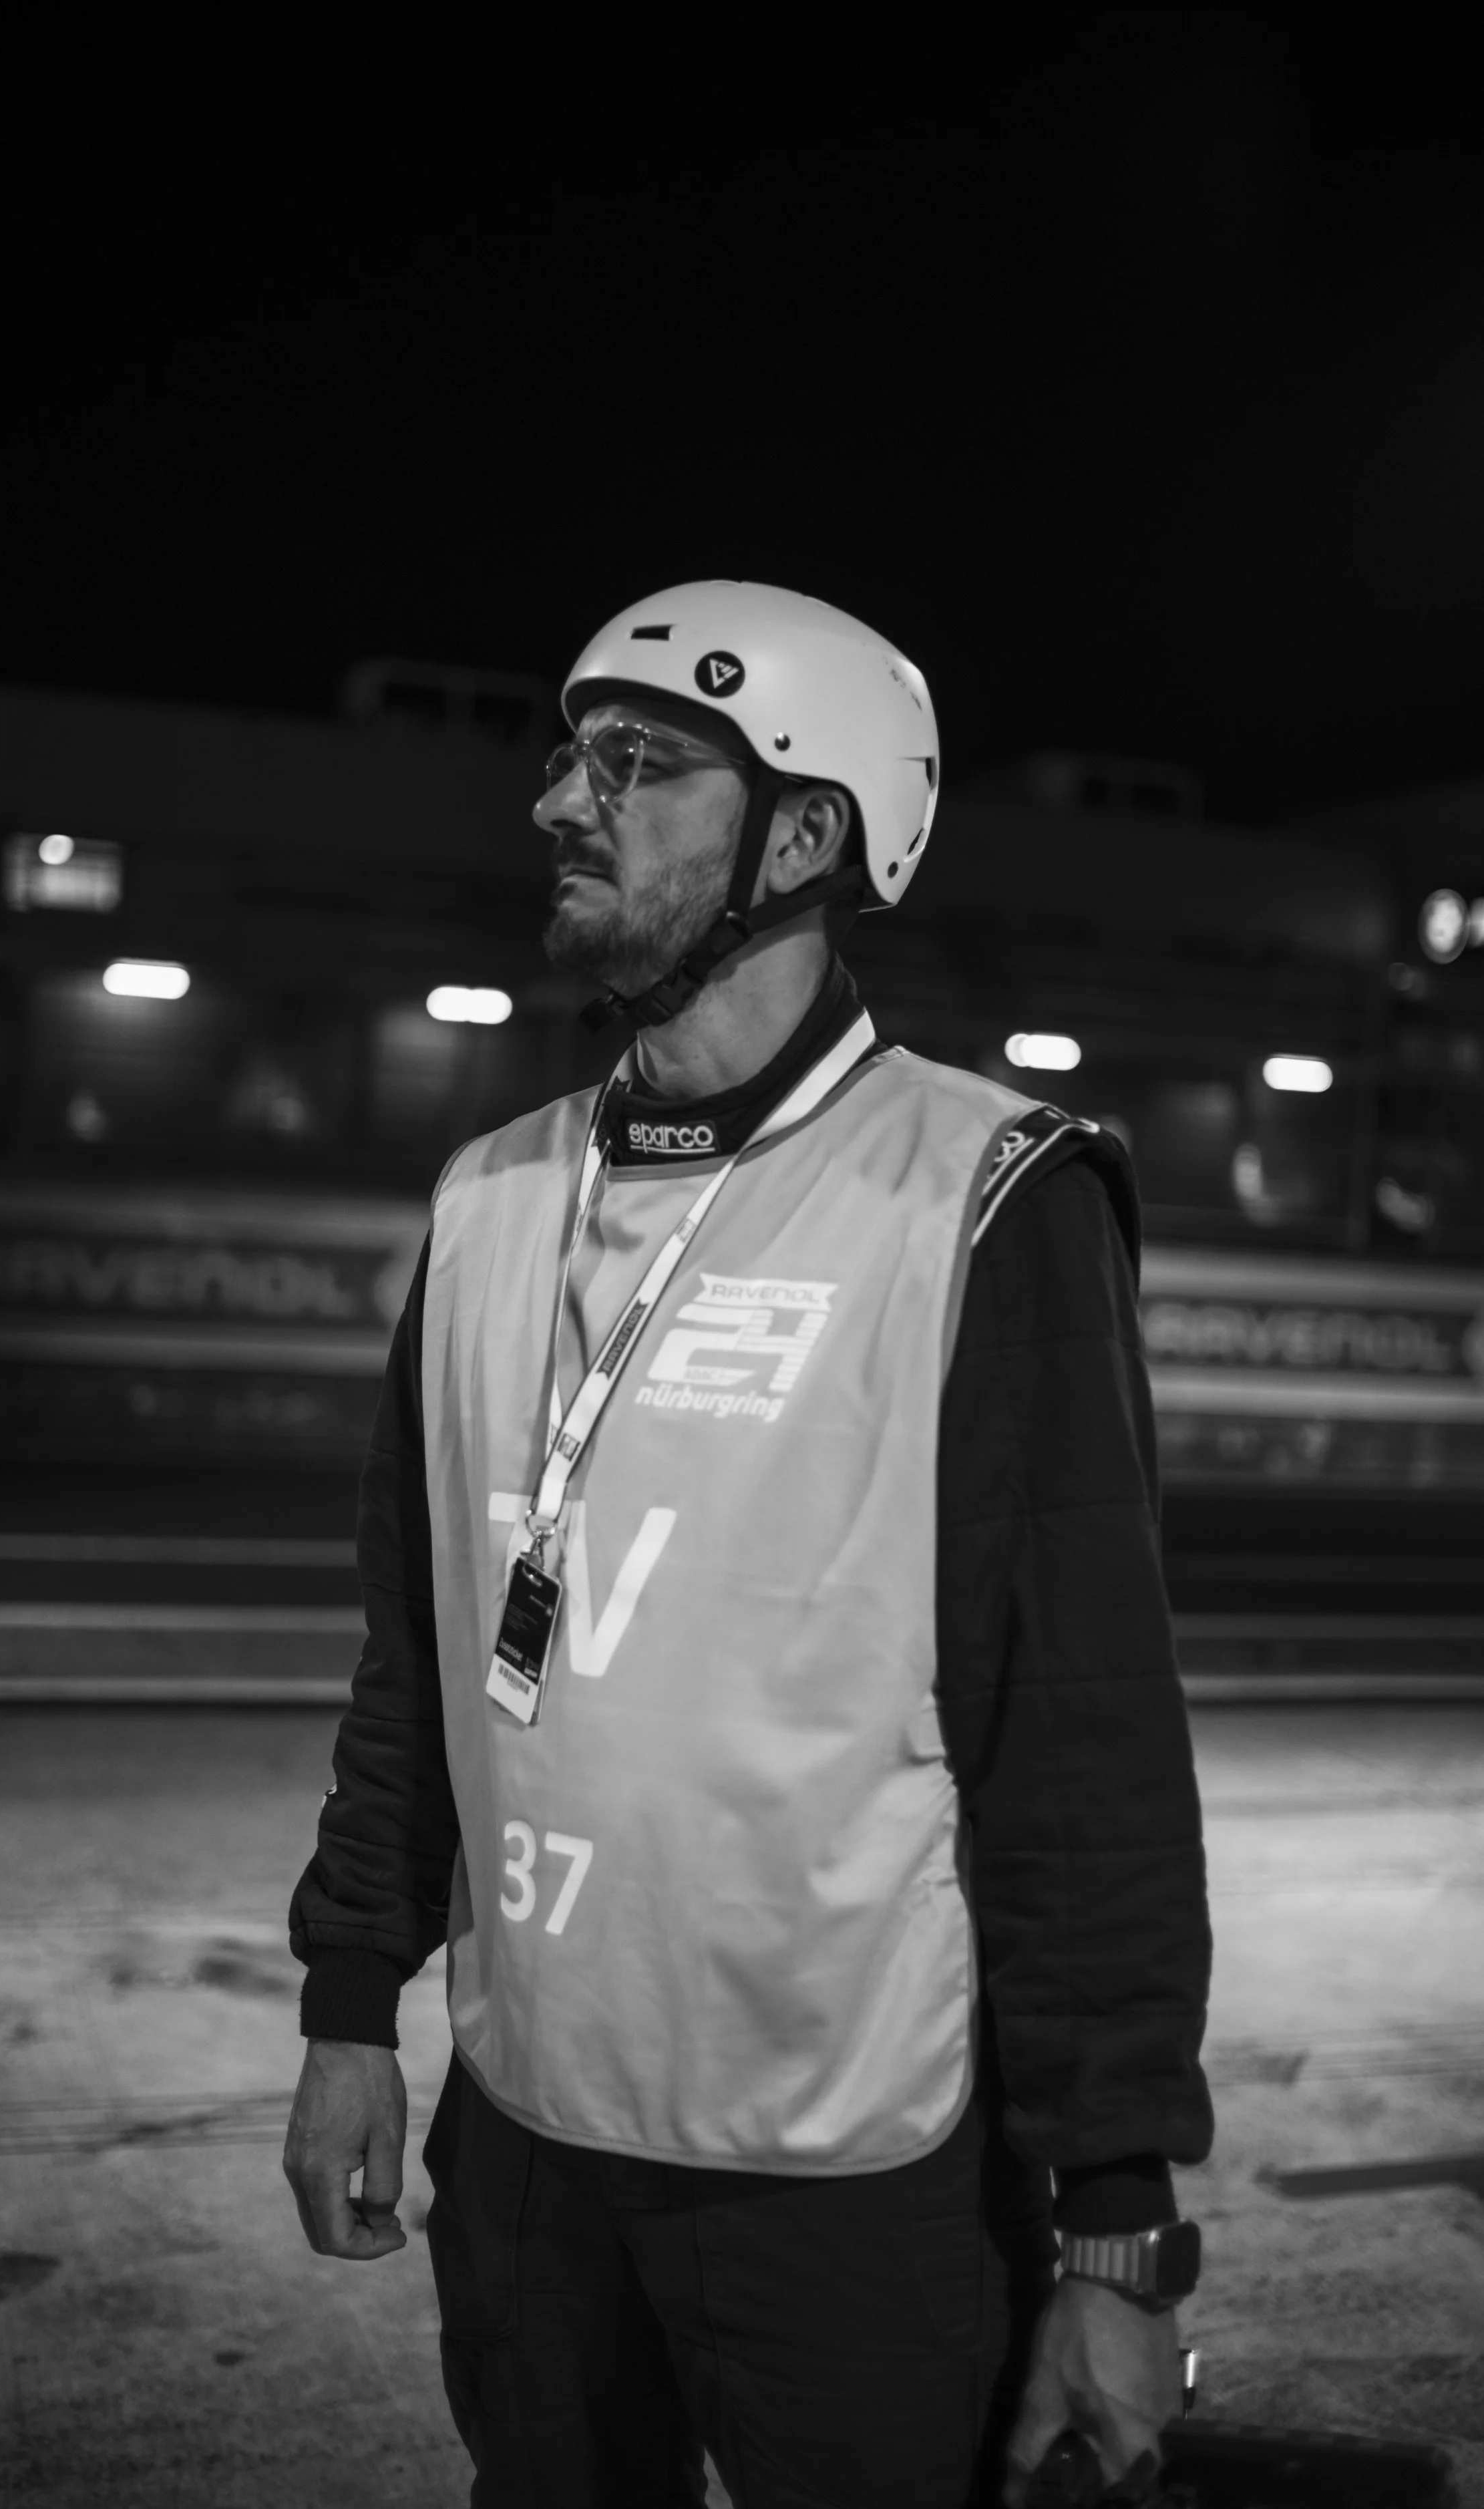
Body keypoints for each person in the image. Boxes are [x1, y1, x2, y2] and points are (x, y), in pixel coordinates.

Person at [284, 582, 1213, 2509]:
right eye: (569, 755)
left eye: (636, 763)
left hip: (847, 2166)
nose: (562, 800)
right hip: (525, 2136)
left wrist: (1116, 2228)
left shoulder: (984, 1194)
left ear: (801, 838)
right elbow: (416, 1659)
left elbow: (1082, 1745)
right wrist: (349, 2008)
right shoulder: (485, 1199)